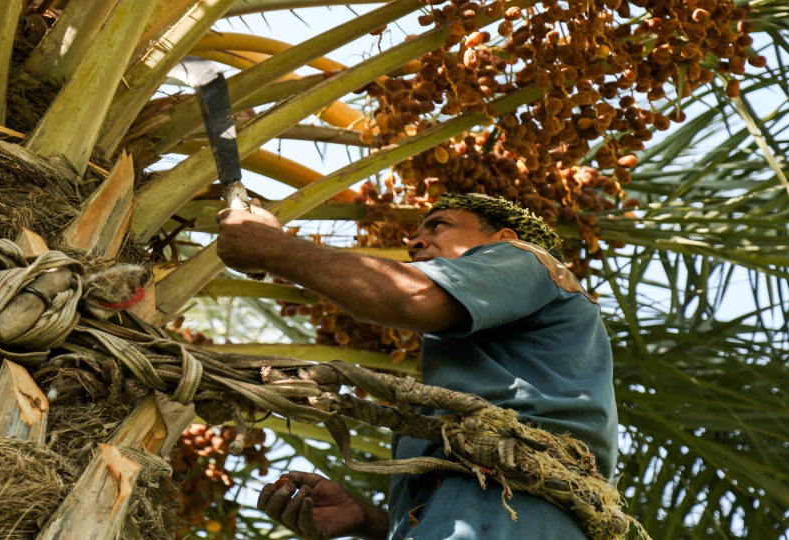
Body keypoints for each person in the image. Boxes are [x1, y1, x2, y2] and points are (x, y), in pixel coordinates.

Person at [215, 193, 618, 540]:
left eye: (439, 225)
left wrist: (271, 247)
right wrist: (369, 520)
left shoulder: (525, 258)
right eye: (414, 236)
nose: (415, 242)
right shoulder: (472, 377)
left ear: (504, 238)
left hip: (509, 509)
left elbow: (411, 297)